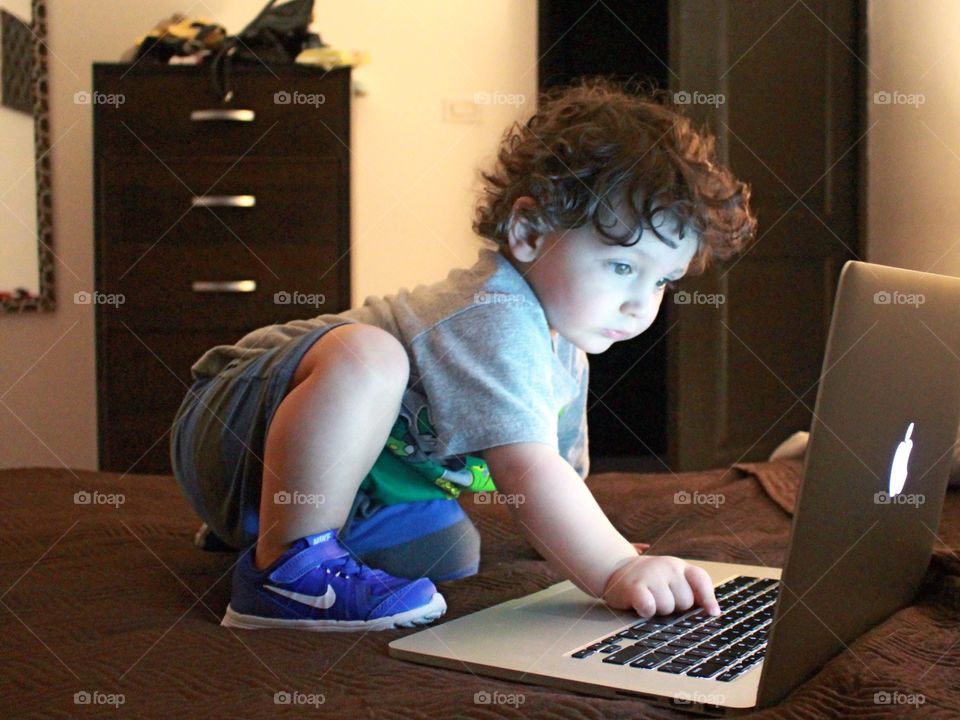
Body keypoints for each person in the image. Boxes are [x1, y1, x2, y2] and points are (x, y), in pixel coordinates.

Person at [170, 77, 757, 631]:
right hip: (238, 421)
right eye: (623, 267)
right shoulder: (495, 314)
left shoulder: (564, 351)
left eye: (662, 281)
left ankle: (264, 527)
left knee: (450, 553)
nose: (640, 305)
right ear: (529, 232)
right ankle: (284, 573)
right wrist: (614, 570)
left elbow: (560, 473)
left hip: (318, 487)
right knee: (369, 355)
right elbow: (528, 471)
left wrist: (593, 543)